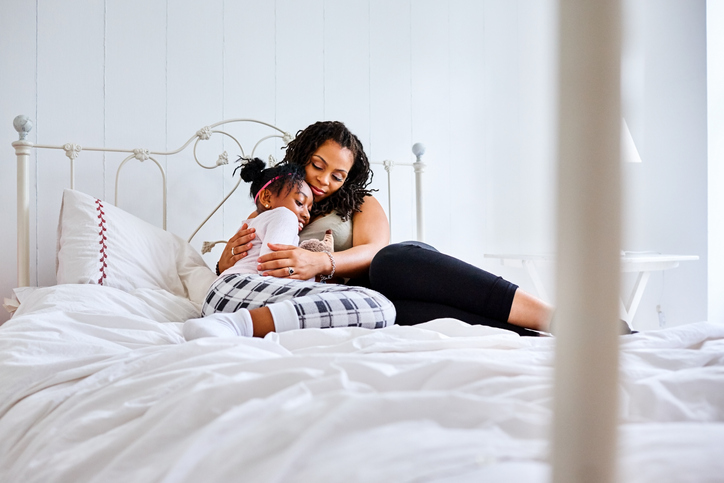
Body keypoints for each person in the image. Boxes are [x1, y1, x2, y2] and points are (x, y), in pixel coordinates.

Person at [216, 121, 553, 337]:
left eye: (337, 175)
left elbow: (374, 250)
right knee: (396, 316)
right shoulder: (276, 205)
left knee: (388, 262)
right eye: (318, 165)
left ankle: (549, 315)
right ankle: (531, 337)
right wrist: (227, 254)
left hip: (402, 272)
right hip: (357, 301)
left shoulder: (359, 203)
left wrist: (322, 263)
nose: (323, 180)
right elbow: (240, 268)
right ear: (302, 156)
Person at [184, 158, 396, 341]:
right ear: (267, 198)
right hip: (235, 291)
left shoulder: (264, 219)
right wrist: (320, 274)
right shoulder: (283, 215)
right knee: (378, 305)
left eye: (309, 209)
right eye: (300, 203)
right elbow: (277, 269)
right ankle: (237, 325)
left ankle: (236, 326)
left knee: (376, 307)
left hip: (229, 296)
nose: (305, 214)